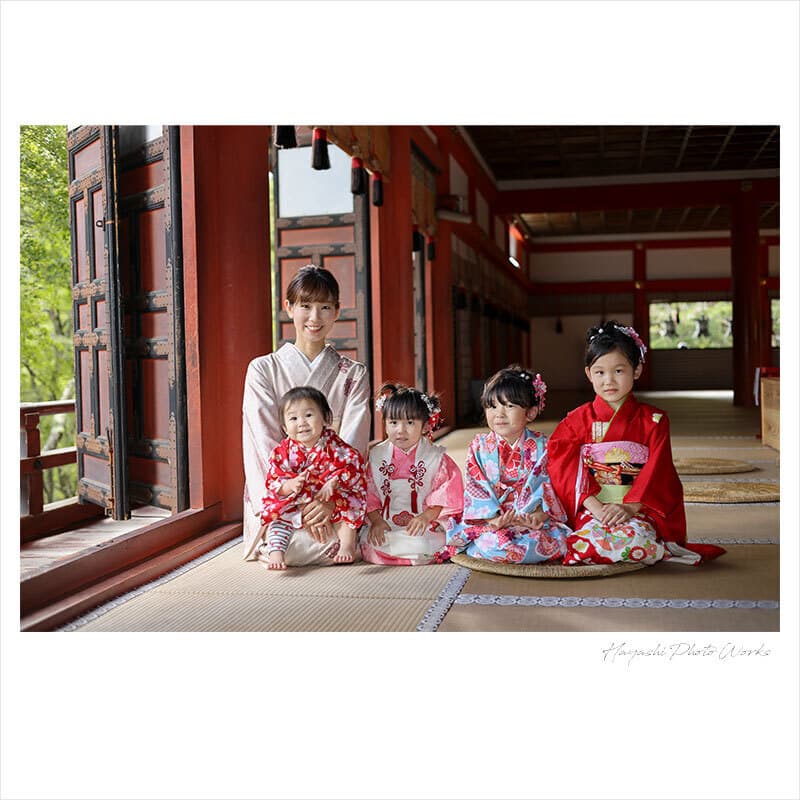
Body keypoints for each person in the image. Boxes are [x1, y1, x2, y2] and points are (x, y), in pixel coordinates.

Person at [546, 320, 725, 566]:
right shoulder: (576, 421)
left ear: (637, 370)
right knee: (581, 543)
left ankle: (644, 545)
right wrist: (596, 507)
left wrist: (630, 507)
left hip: (639, 508)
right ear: (588, 374)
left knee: (636, 539)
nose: (609, 380)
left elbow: (659, 471)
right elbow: (561, 465)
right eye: (600, 372)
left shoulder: (654, 420)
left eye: (619, 371)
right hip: (592, 506)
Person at [242, 265, 371, 564]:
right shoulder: (262, 369)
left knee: (342, 532)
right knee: (287, 541)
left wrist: (331, 501)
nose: (315, 318)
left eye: (325, 307)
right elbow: (262, 444)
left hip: (335, 497)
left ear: (337, 311)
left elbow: (353, 443)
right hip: (284, 498)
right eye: (305, 306)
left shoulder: (353, 373)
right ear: (288, 308)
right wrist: (297, 502)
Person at [439, 366, 571, 564]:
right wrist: (493, 519)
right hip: (492, 519)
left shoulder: (543, 446)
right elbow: (476, 487)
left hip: (530, 518)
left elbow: (549, 487)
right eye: (492, 406)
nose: (499, 414)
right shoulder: (479, 447)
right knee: (492, 543)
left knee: (551, 541)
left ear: (531, 412)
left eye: (509, 406)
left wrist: (537, 516)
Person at [260, 387, 367, 569]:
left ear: (326, 418)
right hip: (296, 504)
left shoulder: (336, 447)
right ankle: (276, 552)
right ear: (285, 428)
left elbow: (352, 465)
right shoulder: (282, 452)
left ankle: (347, 546)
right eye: (293, 418)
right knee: (278, 520)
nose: (301, 423)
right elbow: (274, 481)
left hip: (330, 501)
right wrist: (289, 485)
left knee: (348, 513)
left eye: (308, 415)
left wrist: (334, 483)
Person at [361, 384, 463, 566]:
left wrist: (425, 517)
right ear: (384, 424)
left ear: (425, 426)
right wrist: (376, 522)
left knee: (423, 542)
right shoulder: (376, 456)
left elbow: (445, 497)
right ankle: (404, 555)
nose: (400, 430)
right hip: (386, 523)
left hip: (423, 523)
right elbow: (369, 495)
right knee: (375, 539)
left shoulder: (436, 458)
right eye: (393, 422)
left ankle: (399, 555)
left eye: (409, 423)